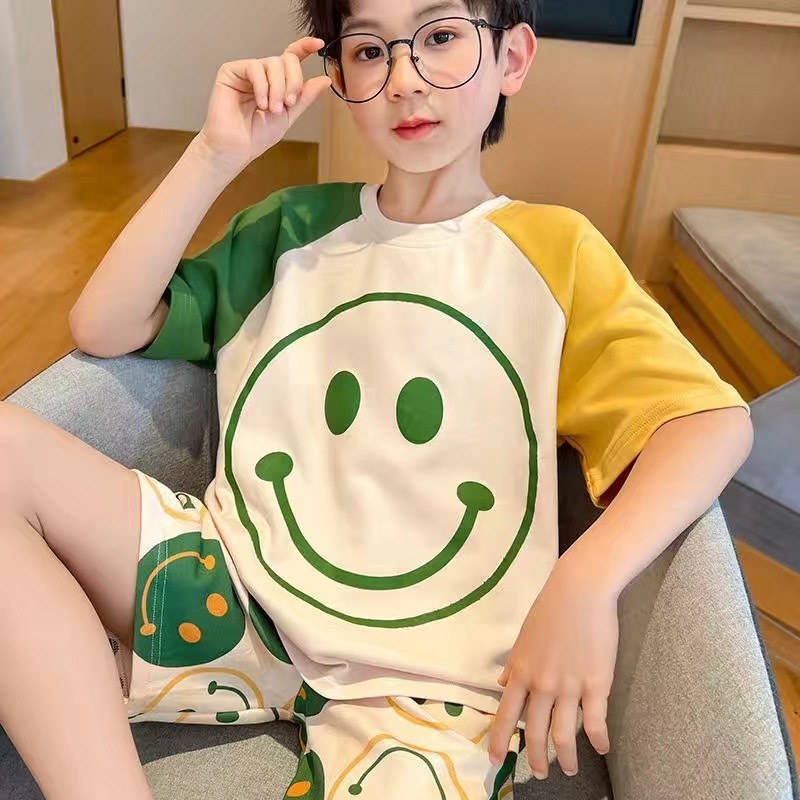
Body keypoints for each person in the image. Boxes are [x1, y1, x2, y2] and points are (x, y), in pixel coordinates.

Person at [0, 0, 754, 798]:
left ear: (512, 58)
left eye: (440, 38)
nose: (403, 80)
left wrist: (585, 582)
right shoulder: (289, 229)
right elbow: (104, 322)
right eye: (368, 51)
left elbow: (710, 422)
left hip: (433, 678)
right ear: (336, 75)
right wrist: (215, 156)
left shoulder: (557, 252)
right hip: (236, 593)